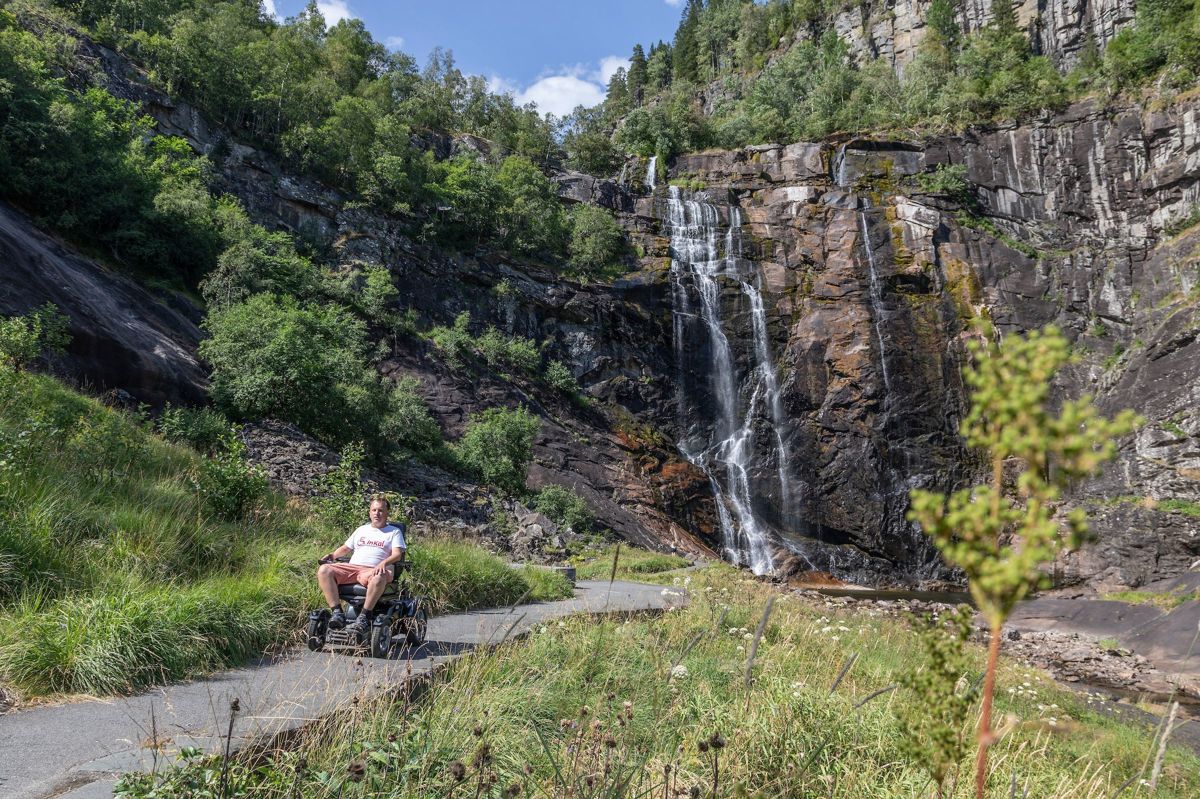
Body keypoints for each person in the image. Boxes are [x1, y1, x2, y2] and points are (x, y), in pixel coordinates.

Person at [317, 494, 407, 635]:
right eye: (374, 510)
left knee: (378, 577)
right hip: (352, 568)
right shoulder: (361, 529)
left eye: (381, 510)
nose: (377, 513)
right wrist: (333, 555)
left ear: (387, 513)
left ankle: (364, 616)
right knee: (324, 570)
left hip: (374, 570)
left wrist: (383, 563)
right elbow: (346, 548)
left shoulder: (394, 532)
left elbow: (397, 554)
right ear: (369, 512)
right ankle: (337, 613)